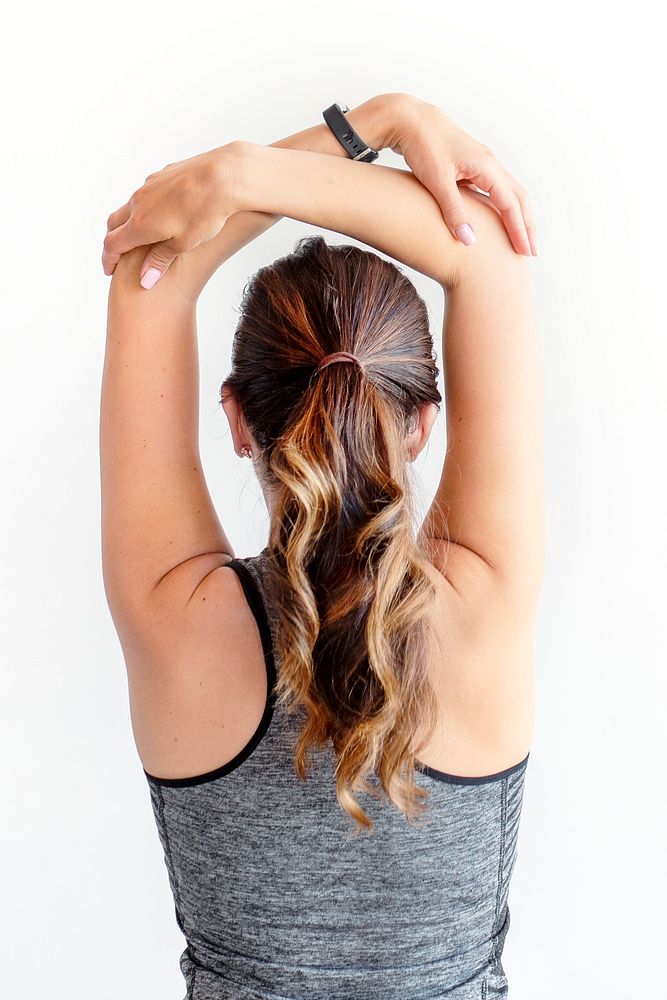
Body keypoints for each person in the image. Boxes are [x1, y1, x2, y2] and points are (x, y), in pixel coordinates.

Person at [100, 93, 544, 999]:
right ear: (421, 425)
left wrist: (365, 126)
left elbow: (151, 266)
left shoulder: (173, 616)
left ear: (236, 418)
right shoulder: (481, 603)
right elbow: (488, 260)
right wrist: (254, 169)